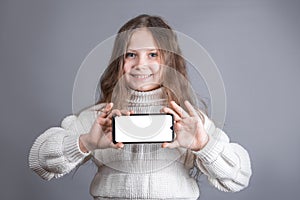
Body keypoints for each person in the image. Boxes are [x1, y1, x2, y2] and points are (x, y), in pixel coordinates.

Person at [29, 14, 252, 200]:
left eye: (153, 54)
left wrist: (204, 145)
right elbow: (39, 161)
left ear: (169, 62)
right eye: (131, 55)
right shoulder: (102, 118)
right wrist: (86, 142)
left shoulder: (189, 121)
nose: (141, 64)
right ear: (120, 62)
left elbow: (239, 177)